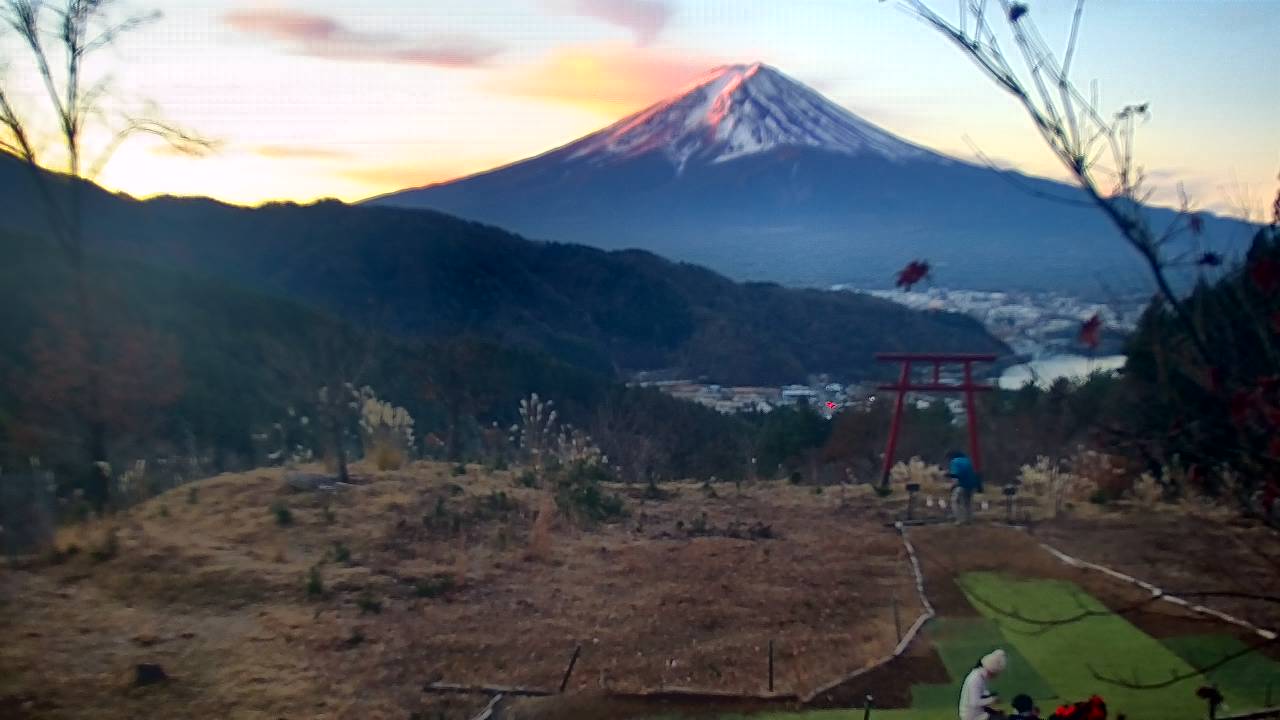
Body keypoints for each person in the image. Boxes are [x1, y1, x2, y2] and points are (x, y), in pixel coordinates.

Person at [959, 649, 1007, 720]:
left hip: (977, 711)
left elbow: (981, 693)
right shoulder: (976, 679)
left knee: (1001, 714)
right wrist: (992, 700)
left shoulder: (980, 675)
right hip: (972, 716)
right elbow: (974, 703)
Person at [948, 450, 980, 525]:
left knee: (956, 501)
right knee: (968, 503)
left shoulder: (954, 461)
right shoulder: (968, 461)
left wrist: (953, 485)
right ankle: (969, 520)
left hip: (962, 485)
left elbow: (955, 475)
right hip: (972, 485)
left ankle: (960, 520)